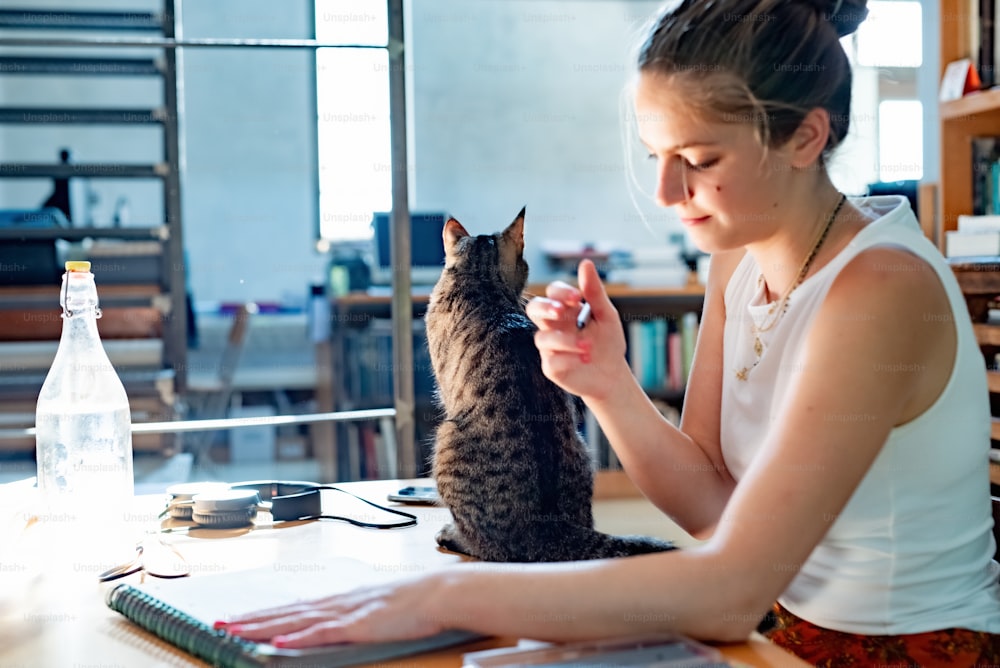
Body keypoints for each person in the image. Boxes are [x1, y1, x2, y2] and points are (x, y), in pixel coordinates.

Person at [221, 0, 1000, 663]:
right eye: (656, 155)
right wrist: (608, 385)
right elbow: (715, 512)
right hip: (775, 631)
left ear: (804, 137)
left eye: (698, 158)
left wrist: (448, 592)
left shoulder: (881, 288)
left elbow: (731, 587)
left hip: (896, 649)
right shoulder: (736, 261)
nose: (666, 190)